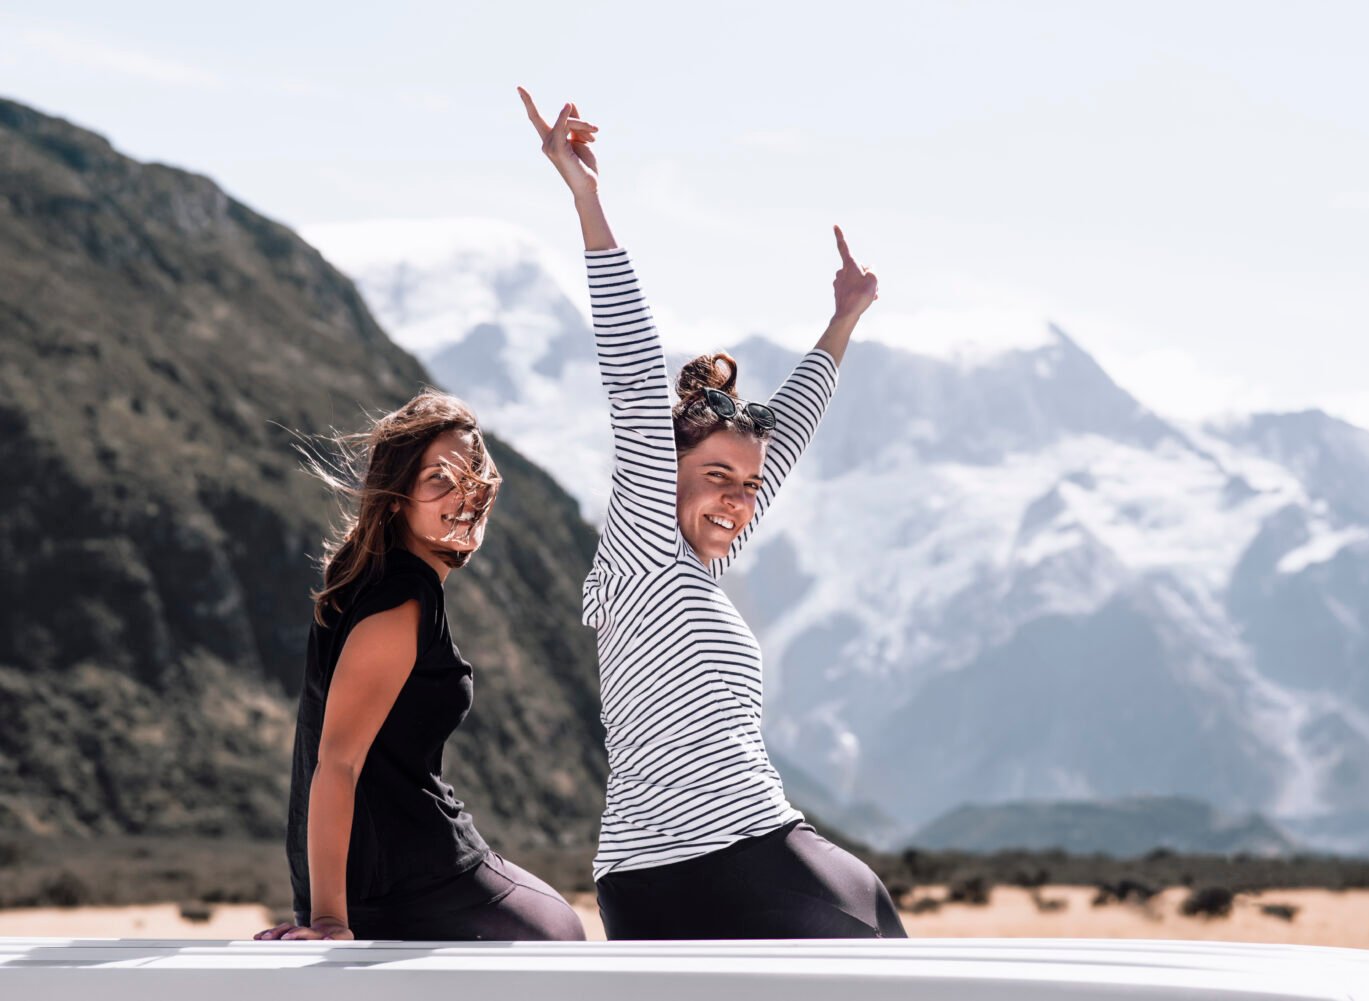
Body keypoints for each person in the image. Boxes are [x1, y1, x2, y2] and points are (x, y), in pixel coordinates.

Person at [519, 87, 906, 939]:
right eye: (718, 476)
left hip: (714, 857)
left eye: (748, 485)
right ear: (668, 473)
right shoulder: (646, 546)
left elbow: (787, 433)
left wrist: (841, 322)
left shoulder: (697, 561)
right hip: (697, 859)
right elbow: (628, 371)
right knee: (874, 928)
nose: (738, 498)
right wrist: (588, 200)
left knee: (871, 907)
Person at [256, 391, 585, 941]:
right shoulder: (405, 596)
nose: (465, 493)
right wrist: (331, 921)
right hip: (405, 876)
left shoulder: (382, 582)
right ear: (395, 500)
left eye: (474, 474)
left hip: (387, 872)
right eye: (438, 479)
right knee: (559, 938)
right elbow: (336, 762)